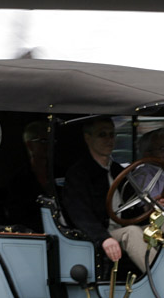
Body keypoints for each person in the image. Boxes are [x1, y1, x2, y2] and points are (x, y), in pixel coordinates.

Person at [61, 116, 154, 274]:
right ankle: (163, 279)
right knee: (131, 232)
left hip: (123, 228)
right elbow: (81, 216)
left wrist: (149, 210)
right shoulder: (78, 174)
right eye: (102, 135)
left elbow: (132, 209)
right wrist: (103, 238)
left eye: (112, 135)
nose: (109, 140)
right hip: (101, 234)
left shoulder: (118, 171)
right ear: (87, 138)